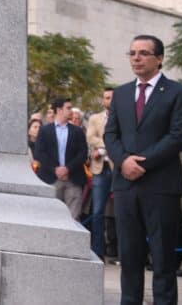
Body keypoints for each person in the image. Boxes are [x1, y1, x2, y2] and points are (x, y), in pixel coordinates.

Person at [104, 34, 182, 305]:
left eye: (143, 53)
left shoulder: (178, 92)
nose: (136, 58)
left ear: (160, 58)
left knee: (163, 258)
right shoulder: (120, 94)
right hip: (125, 186)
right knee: (129, 256)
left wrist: (141, 163)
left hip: (161, 186)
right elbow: (111, 135)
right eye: (132, 53)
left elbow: (177, 136)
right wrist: (124, 162)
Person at [33, 97, 88, 216]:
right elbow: (39, 153)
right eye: (68, 108)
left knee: (73, 217)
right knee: (49, 215)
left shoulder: (77, 131)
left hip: (73, 179)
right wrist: (55, 169)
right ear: (59, 110)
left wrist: (67, 168)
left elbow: (83, 154)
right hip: (51, 178)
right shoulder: (44, 130)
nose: (71, 111)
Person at [85, 87, 115, 261]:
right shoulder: (95, 118)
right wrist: (109, 145)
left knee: (122, 213)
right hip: (99, 170)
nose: (108, 100)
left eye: (111, 97)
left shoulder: (123, 117)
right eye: (106, 98)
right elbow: (91, 138)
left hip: (117, 168)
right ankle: (98, 251)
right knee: (97, 212)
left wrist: (102, 148)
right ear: (102, 100)